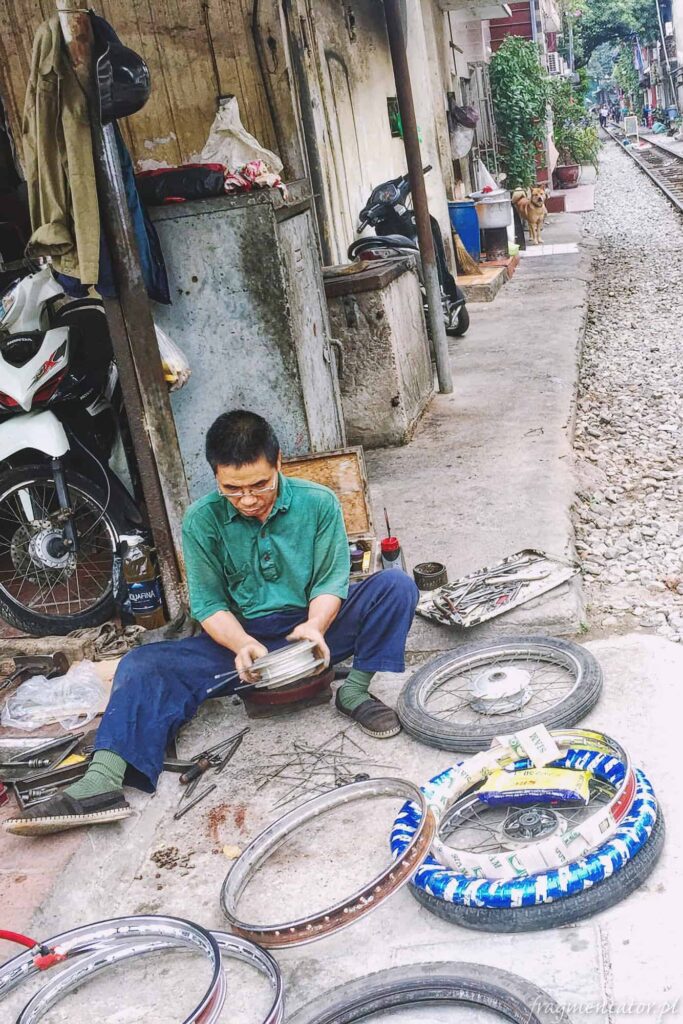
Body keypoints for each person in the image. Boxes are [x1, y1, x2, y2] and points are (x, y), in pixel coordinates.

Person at [5, 410, 419, 836]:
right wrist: (240, 644)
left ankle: (353, 691)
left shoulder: (319, 503)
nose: (248, 499)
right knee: (141, 665)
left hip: (312, 632)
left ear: (279, 462)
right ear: (216, 476)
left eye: (259, 485)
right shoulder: (202, 520)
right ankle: (101, 781)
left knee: (395, 587)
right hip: (239, 646)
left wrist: (315, 626)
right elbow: (208, 604)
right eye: (232, 489)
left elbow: (331, 581)